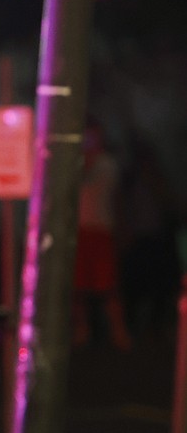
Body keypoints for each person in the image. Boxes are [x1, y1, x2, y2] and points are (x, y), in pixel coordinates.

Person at [72, 118, 131, 351]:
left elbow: (117, 200)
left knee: (109, 285)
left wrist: (122, 227)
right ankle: (82, 330)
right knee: (78, 287)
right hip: (80, 231)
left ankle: (118, 331)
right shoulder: (74, 164)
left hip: (102, 230)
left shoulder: (108, 165)